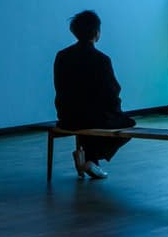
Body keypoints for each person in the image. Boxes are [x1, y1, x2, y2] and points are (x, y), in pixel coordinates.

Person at [54, 10, 134, 179]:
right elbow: (111, 91)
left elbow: (59, 87)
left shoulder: (62, 56)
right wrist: (116, 110)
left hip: (67, 117)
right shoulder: (101, 59)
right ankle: (91, 159)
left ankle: (89, 160)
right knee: (128, 123)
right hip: (93, 118)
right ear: (97, 33)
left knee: (88, 116)